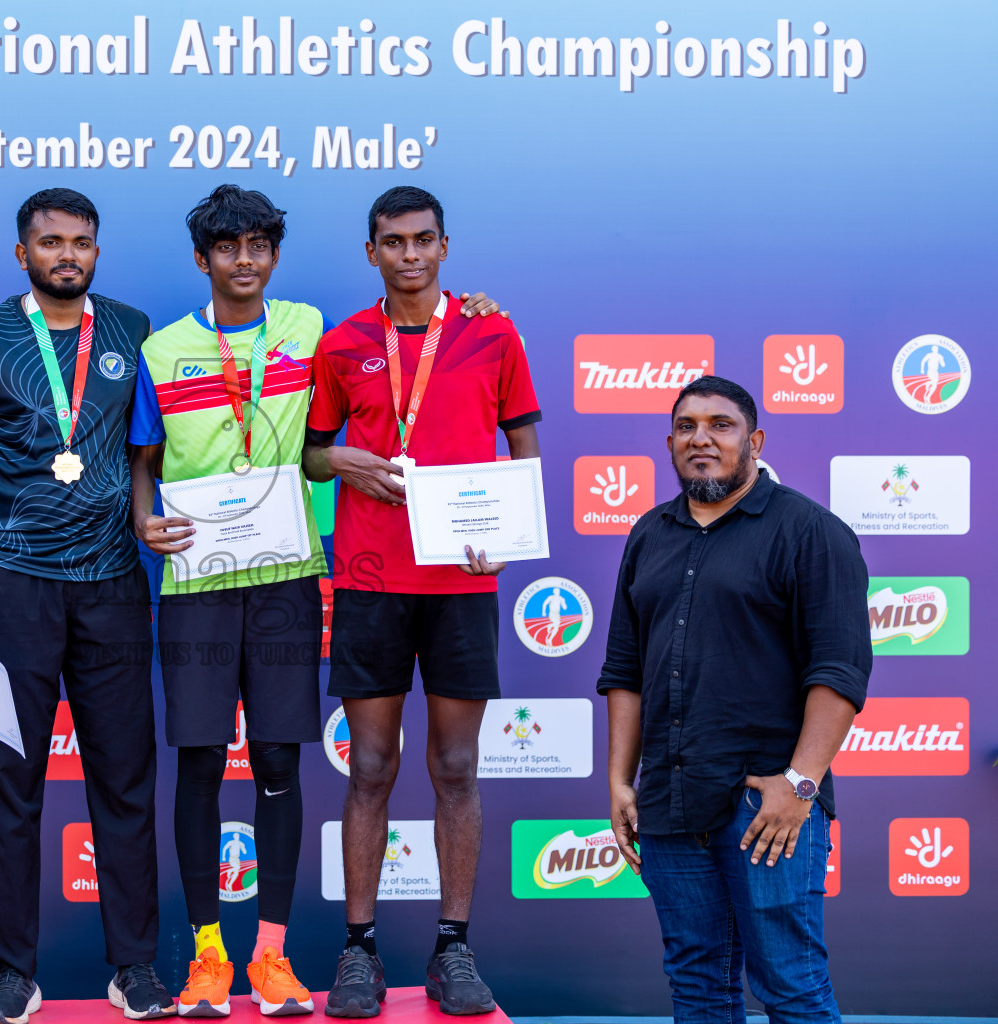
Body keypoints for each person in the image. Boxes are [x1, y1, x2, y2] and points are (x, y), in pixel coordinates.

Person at [129, 185, 500, 1019]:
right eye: (228, 248)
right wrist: (141, 516)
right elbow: (144, 459)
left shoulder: (314, 334)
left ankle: (271, 957)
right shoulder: (164, 349)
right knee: (196, 764)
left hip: (288, 584)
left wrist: (474, 307)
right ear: (203, 260)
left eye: (260, 245)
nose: (245, 260)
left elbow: (410, 336)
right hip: (195, 581)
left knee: (278, 765)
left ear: (275, 256)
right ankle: (206, 957)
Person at [0, 188, 174, 1023]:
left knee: (125, 784)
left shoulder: (135, 331)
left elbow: (169, 436)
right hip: (10, 588)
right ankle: (13, 975)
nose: (66, 254)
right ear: (23, 254)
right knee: (13, 786)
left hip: (112, 584)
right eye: (49, 242)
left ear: (97, 253)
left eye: (80, 242)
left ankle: (134, 968)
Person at [303, 186, 541, 1018]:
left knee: (456, 767)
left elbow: (523, 441)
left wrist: (512, 530)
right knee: (369, 767)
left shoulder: (492, 331)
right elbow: (311, 454)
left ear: (445, 246)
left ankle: (453, 949)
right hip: (370, 579)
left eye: (423, 240)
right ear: (371, 252)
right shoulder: (343, 344)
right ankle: (359, 952)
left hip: (462, 581)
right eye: (392, 242)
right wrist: (350, 465)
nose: (409, 254)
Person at [597, 376, 870, 1024]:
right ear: (669, 443)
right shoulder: (648, 536)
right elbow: (625, 671)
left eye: (720, 424)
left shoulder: (811, 532)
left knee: (791, 986)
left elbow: (840, 671)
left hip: (766, 806)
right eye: (688, 426)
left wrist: (800, 784)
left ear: (755, 440)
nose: (702, 438)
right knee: (699, 989)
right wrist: (618, 780)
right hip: (669, 800)